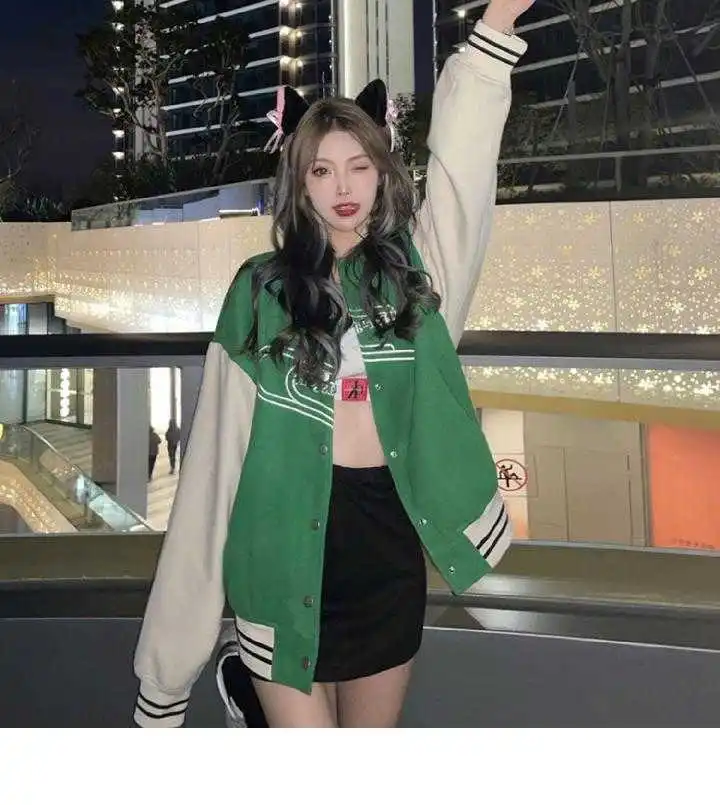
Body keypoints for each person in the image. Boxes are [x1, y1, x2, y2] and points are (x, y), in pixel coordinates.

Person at [132, 0, 535, 729]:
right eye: (321, 170)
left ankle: (246, 692)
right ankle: (246, 674)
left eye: (359, 166)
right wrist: (165, 676)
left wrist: (495, 28)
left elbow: (464, 176)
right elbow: (213, 476)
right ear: (300, 181)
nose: (343, 188)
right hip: (281, 561)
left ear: (382, 174)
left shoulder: (419, 274)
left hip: (386, 556)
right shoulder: (259, 292)